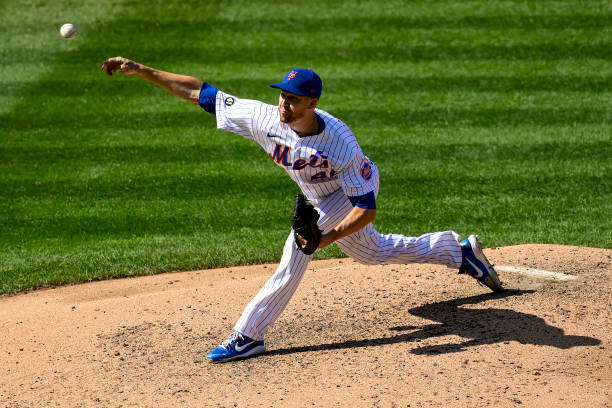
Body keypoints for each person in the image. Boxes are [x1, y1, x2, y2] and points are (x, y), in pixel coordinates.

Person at [100, 57, 503, 363]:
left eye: (293, 100)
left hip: (350, 195)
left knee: (297, 251)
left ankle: (249, 335)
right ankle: (458, 250)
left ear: (313, 102)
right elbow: (200, 92)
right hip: (319, 197)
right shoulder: (264, 117)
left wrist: (324, 239)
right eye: (282, 96)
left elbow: (366, 209)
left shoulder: (342, 144)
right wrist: (140, 69)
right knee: (373, 253)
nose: (284, 105)